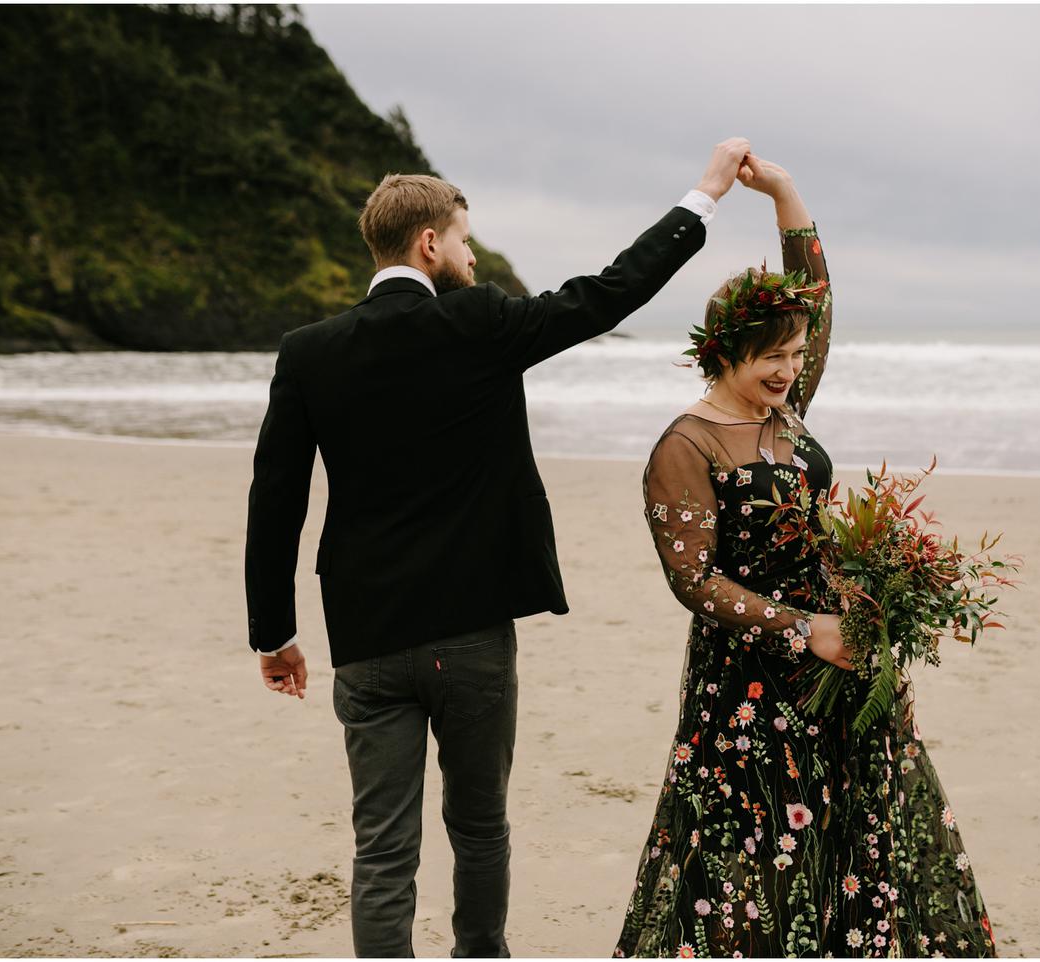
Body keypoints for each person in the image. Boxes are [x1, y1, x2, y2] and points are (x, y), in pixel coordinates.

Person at [243, 137, 754, 958]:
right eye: (466, 240)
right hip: (472, 634)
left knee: (382, 846)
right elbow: (606, 294)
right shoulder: (479, 323)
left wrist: (274, 633)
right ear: (430, 243)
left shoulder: (309, 352)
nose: (474, 257)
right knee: (479, 828)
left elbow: (276, 500)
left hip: (367, 638)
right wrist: (705, 195)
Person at [614, 155, 997, 958]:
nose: (790, 369)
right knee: (751, 850)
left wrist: (784, 194)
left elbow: (815, 302)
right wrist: (802, 629)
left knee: (853, 834)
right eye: (773, 357)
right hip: (748, 680)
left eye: (796, 354)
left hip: (841, 661)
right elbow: (695, 581)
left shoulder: (786, 413)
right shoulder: (685, 446)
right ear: (724, 353)